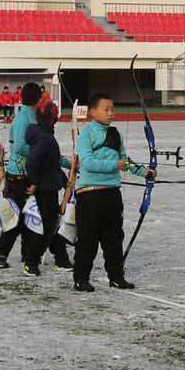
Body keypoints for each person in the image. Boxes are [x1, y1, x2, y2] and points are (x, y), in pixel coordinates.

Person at [71, 94, 146, 292]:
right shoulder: (86, 134)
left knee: (113, 238)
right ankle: (81, 278)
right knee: (87, 239)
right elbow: (86, 162)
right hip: (89, 195)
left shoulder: (115, 133)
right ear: (93, 112)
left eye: (112, 109)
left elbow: (124, 160)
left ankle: (116, 277)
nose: (111, 113)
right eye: (106, 109)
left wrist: (144, 171)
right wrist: (115, 165)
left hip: (111, 194)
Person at [0, 82, 43, 269]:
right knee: (16, 217)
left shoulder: (28, 116)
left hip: (23, 173)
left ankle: (26, 254)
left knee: (26, 216)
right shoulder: (24, 118)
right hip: (19, 175)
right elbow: (19, 146)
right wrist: (40, 151)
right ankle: (0, 255)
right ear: (39, 98)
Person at [20, 101, 75, 276]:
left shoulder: (45, 135)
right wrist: (34, 183)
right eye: (54, 116)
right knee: (47, 226)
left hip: (50, 185)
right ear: (48, 118)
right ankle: (31, 262)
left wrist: (64, 180)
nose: (56, 120)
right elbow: (32, 162)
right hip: (44, 189)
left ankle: (61, 259)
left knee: (53, 224)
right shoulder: (44, 138)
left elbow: (51, 164)